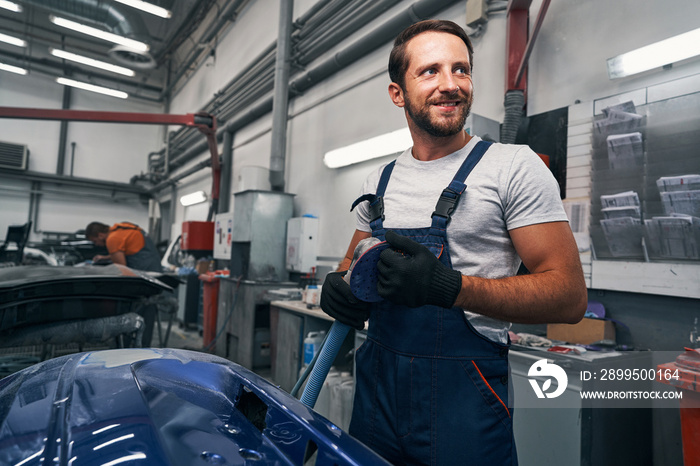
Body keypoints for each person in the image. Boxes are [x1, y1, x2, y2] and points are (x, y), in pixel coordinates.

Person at [320, 19, 587, 465]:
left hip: (463, 405)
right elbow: (354, 266)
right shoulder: (379, 180)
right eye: (430, 71)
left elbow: (569, 296)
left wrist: (452, 289)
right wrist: (339, 286)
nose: (450, 85)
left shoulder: (512, 167)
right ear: (397, 93)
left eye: (460, 70)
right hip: (376, 400)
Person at [85, 221, 162, 272]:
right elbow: (128, 251)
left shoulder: (112, 239)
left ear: (100, 235)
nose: (96, 244)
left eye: (95, 241)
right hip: (154, 268)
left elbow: (121, 268)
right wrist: (105, 257)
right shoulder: (122, 229)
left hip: (144, 271)